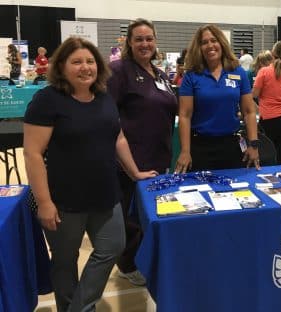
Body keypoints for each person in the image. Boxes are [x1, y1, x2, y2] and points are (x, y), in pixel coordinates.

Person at [23, 37, 158, 311]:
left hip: (105, 194)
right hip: (63, 200)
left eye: (90, 61)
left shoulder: (104, 97)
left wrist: (135, 172)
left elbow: (118, 137)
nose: (85, 67)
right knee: (64, 261)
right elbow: (32, 153)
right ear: (61, 66)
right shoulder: (47, 100)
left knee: (113, 247)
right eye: (76, 62)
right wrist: (45, 202)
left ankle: (78, 308)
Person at [107, 18, 178, 286]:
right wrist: (129, 165)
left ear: (155, 42)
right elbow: (109, 118)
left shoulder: (159, 74)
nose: (145, 44)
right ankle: (127, 264)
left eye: (149, 38)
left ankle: (144, 258)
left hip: (158, 157)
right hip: (130, 160)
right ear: (129, 42)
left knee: (150, 214)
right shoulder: (118, 71)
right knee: (130, 216)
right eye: (139, 39)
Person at [174, 24, 259, 173]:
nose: (210, 45)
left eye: (213, 40)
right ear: (199, 48)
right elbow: (185, 115)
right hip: (200, 147)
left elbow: (249, 111)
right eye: (204, 42)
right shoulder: (191, 76)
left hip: (232, 145)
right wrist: (185, 151)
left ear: (221, 43)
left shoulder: (238, 72)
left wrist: (253, 145)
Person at [252, 40, 281, 165]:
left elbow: (254, 94)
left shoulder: (264, 72)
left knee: (266, 155)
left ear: (272, 53)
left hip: (268, 119)